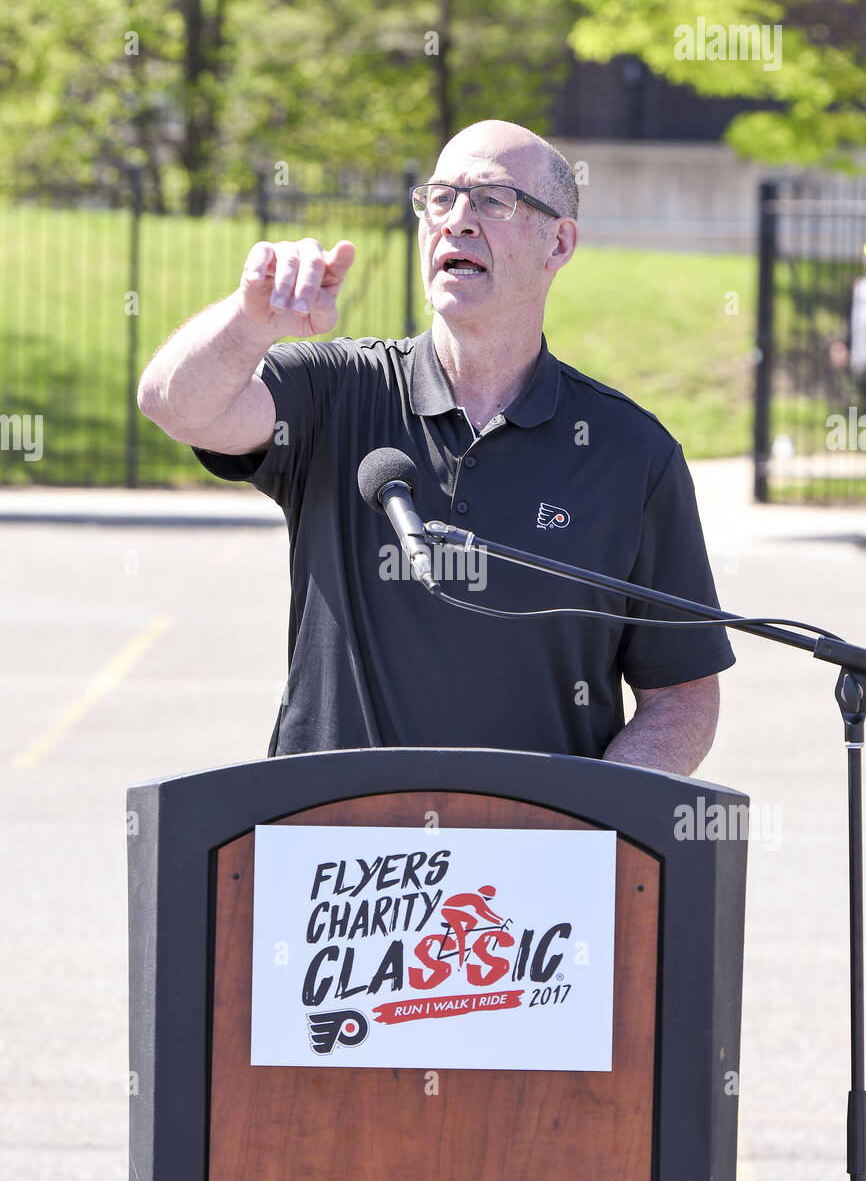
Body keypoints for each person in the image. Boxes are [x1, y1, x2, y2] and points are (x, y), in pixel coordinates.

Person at [138, 119, 734, 774]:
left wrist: (586, 831)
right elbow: (175, 405)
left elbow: (681, 695)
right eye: (440, 198)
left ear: (558, 242)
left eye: (492, 199)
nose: (456, 219)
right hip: (332, 853)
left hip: (530, 862)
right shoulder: (335, 391)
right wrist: (249, 324)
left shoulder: (632, 454)